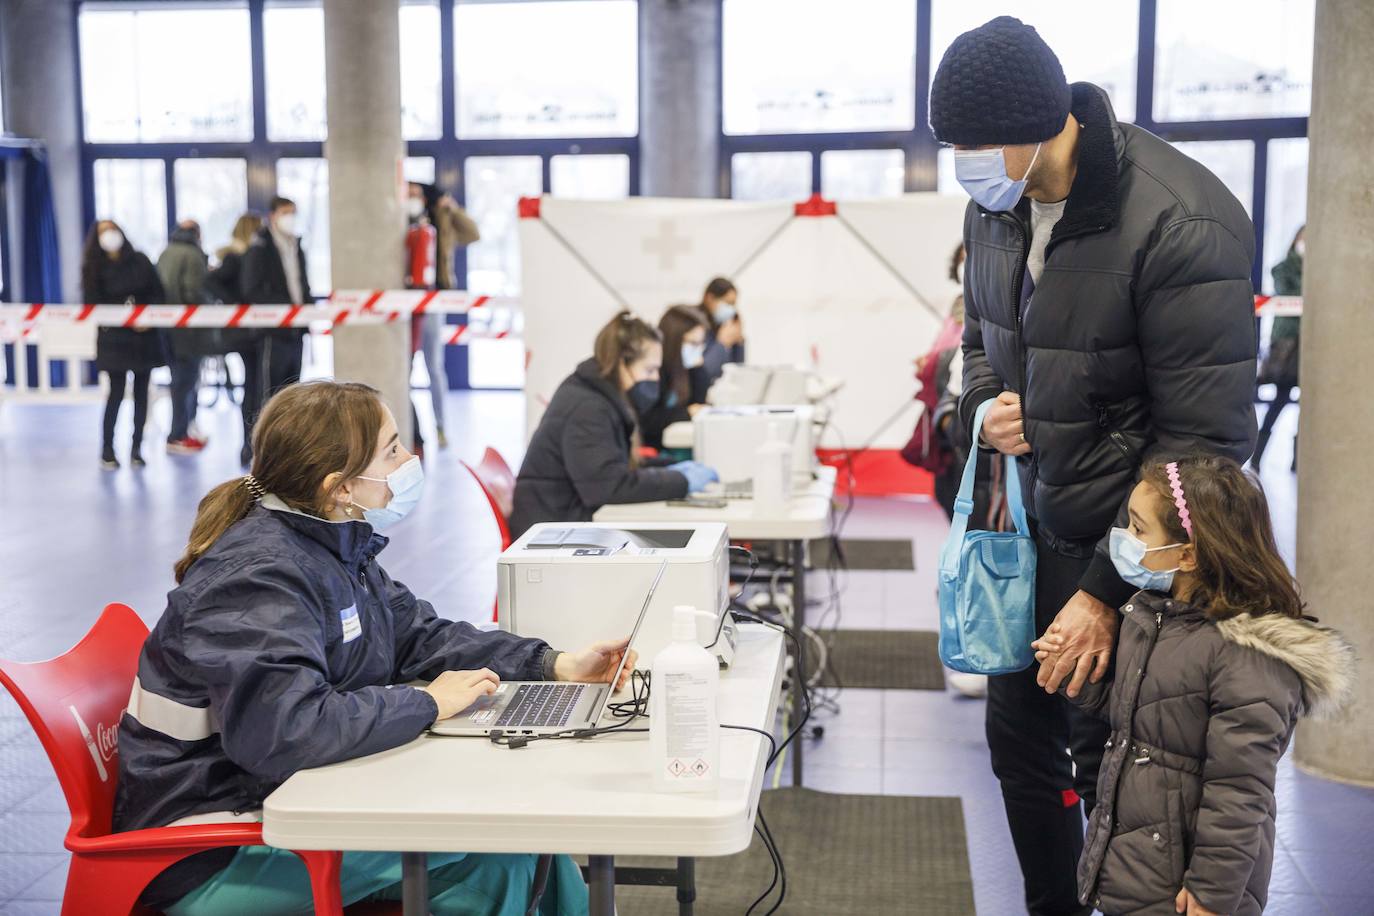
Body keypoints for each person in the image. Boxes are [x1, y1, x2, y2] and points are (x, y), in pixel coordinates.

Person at [929, 17, 1258, 915]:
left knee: (1118, 771)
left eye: (973, 144)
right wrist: (980, 408)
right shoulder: (995, 206)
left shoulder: (1182, 220)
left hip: (1136, 557)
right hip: (1035, 532)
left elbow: (1208, 446)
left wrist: (1105, 595)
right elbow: (981, 338)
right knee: (1019, 746)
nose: (964, 162)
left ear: (1041, 125)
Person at [114, 380, 631, 915]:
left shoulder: (331, 545)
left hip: (277, 800)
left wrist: (554, 663)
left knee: (521, 848)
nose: (409, 460)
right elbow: (284, 729)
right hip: (211, 848)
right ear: (338, 486)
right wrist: (429, 703)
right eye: (391, 450)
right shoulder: (257, 578)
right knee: (504, 853)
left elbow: (419, 634)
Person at [1032, 456, 1353, 916]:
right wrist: (1079, 678)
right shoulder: (1155, 613)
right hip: (1141, 864)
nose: (1124, 540)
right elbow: (1148, 711)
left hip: (1187, 888)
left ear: (1188, 554)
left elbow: (1240, 792)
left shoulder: (1249, 658)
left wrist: (1212, 892)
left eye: (1139, 530)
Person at [510, 312, 719, 539]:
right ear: (622, 363)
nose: (656, 379)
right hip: (552, 530)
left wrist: (670, 467)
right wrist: (682, 481)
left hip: (564, 516)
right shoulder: (588, 408)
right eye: (649, 370)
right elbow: (607, 485)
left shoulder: (596, 394)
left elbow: (611, 463)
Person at [84, 220, 166, 470]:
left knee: (142, 393)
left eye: (112, 230)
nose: (109, 235)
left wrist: (147, 319)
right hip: (114, 340)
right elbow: (92, 302)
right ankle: (107, 449)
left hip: (143, 337)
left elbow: (158, 293)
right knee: (116, 394)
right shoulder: (94, 267)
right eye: (103, 232)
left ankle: (137, 448)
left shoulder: (140, 260)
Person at [405, 182, 481, 451]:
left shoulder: (439, 219)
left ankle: (440, 426)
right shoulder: (396, 221)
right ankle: (410, 430)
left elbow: (472, 234)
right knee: (405, 370)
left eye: (416, 194)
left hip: (434, 298)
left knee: (434, 367)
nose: (411, 199)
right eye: (407, 194)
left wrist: (453, 209)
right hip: (403, 302)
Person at [240, 197, 312, 466]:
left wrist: (306, 311)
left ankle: (288, 450)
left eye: (293, 212)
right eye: (285, 213)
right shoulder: (259, 248)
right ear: (272, 216)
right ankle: (260, 450)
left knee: (293, 394)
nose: (290, 217)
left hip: (296, 331)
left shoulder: (297, 246)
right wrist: (283, 310)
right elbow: (252, 289)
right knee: (267, 395)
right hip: (272, 332)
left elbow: (302, 286)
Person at [158, 219, 212, 455]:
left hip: (166, 327)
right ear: (197, 234)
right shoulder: (193, 255)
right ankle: (179, 433)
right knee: (186, 382)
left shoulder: (166, 252)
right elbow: (194, 292)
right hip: (188, 330)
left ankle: (183, 430)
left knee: (178, 381)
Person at [1253, 225, 1304, 472]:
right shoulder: (1282, 269)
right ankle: (1257, 457)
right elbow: (1291, 293)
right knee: (1280, 401)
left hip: (1310, 348)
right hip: (1288, 348)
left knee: (1308, 408)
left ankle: (1297, 462)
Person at [636, 305, 712, 450]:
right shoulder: (654, 371)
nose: (698, 349)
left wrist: (698, 368)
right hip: (653, 448)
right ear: (674, 340)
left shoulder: (685, 368)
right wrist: (686, 413)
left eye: (701, 344)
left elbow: (699, 401)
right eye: (693, 343)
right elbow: (647, 421)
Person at [699, 277, 744, 383]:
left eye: (734, 304)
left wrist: (739, 342)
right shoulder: (695, 326)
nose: (732, 309)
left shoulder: (722, 325)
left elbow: (738, 370)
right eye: (728, 303)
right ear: (710, 298)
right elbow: (704, 371)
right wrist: (722, 343)